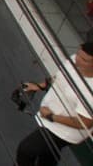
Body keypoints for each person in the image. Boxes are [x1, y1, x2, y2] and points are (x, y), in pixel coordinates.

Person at [14, 38, 93, 166]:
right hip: (50, 115)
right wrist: (40, 86)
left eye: (85, 60)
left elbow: (85, 122)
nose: (77, 59)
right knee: (48, 152)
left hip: (65, 130)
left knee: (26, 150)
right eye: (79, 54)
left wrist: (51, 117)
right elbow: (60, 76)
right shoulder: (75, 60)